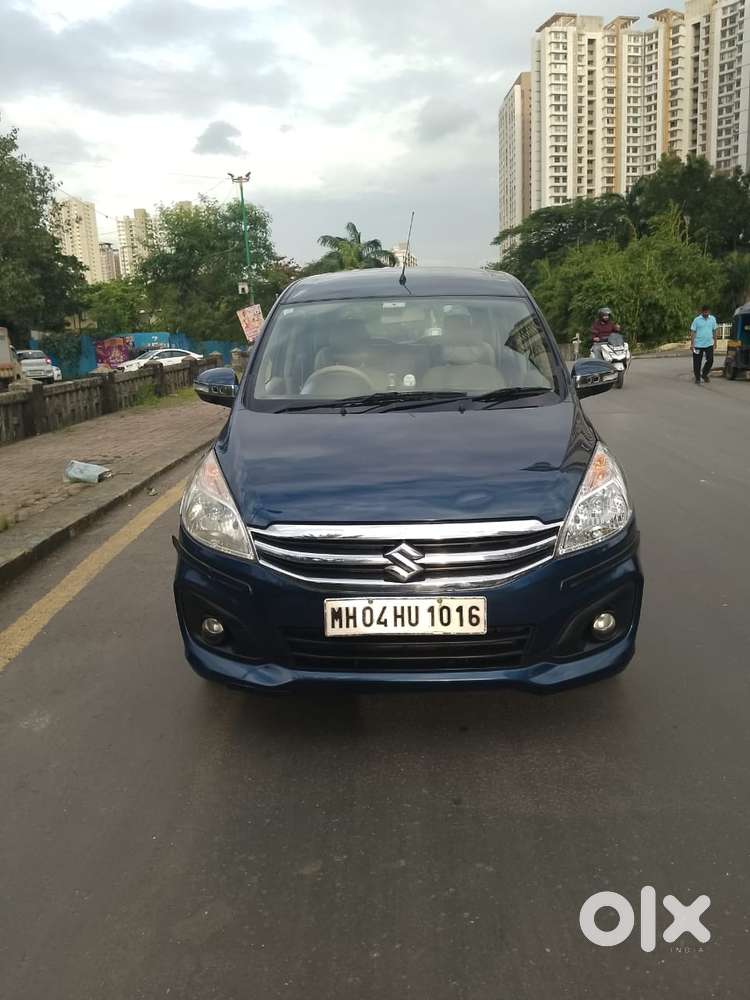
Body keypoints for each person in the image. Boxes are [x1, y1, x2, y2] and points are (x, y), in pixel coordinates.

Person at [690, 305, 717, 384]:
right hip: (698, 344)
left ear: (709, 311)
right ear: (702, 312)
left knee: (710, 360)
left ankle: (704, 374)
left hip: (709, 344)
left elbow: (714, 331)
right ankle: (697, 378)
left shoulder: (712, 319)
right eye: (705, 312)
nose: (706, 313)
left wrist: (715, 342)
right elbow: (693, 332)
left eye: (707, 311)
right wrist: (692, 344)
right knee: (697, 362)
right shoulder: (697, 320)